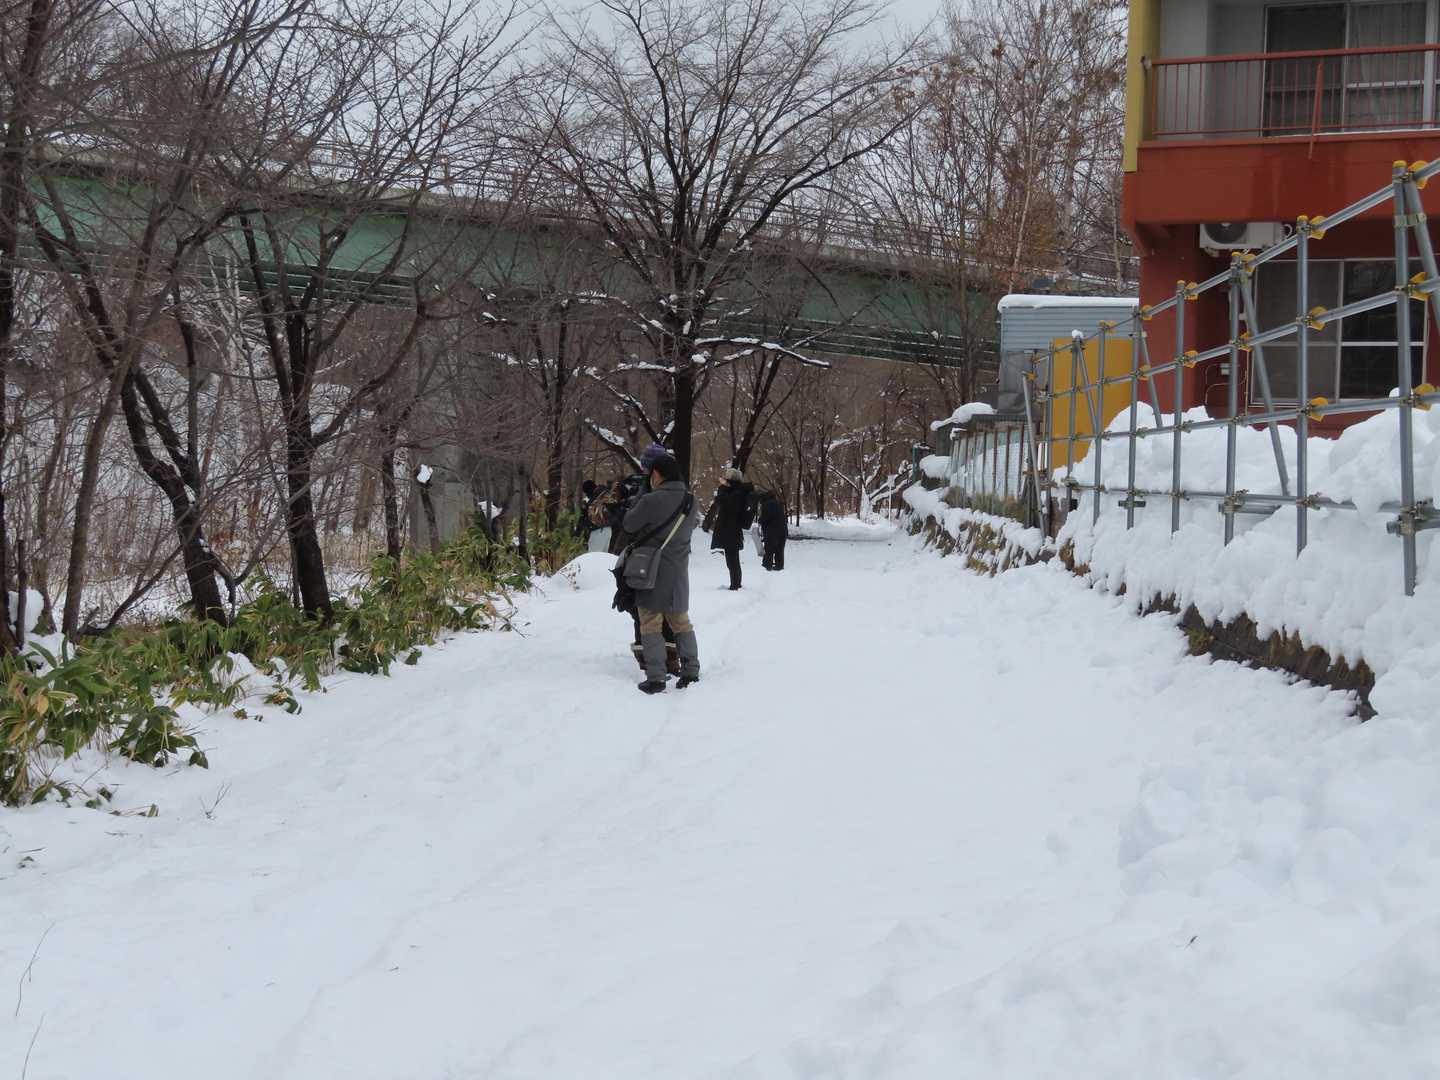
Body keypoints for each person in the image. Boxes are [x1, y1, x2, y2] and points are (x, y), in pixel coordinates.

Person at [622, 452, 700, 694]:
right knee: (681, 622)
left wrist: (641, 495)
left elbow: (629, 524)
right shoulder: (691, 500)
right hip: (678, 571)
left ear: (656, 474)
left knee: (650, 623)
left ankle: (656, 678)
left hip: (651, 569)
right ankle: (691, 671)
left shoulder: (651, 500)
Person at [709, 467, 755, 590]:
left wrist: (723, 490)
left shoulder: (736, 493)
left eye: (727, 477)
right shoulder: (737, 491)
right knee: (733, 559)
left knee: (732, 559)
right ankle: (736, 583)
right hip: (731, 529)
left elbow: (727, 504)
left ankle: (735, 585)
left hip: (730, 529)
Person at [757, 490, 788, 571]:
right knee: (780, 549)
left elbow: (766, 517)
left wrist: (760, 520)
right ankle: (779, 565)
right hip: (783, 530)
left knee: (769, 548)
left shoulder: (766, 504)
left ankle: (768, 564)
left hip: (772, 531)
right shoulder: (778, 503)